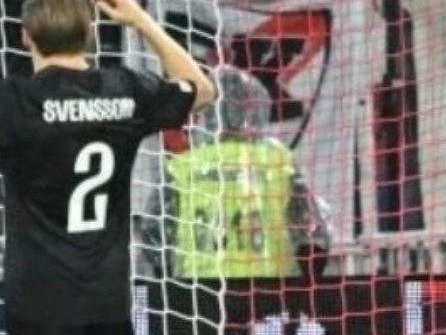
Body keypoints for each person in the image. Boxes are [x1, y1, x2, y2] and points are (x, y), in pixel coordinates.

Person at [0, 0, 216, 335]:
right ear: (90, 33)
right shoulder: (125, 90)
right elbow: (202, 91)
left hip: (41, 304)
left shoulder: (12, 102)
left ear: (26, 36)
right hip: (106, 299)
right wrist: (142, 21)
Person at [141, 65, 331, 280]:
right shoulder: (279, 161)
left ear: (207, 111)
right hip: (269, 287)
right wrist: (302, 288)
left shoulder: (183, 166)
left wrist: (172, 283)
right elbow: (314, 236)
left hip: (199, 289)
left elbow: (154, 238)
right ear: (256, 108)